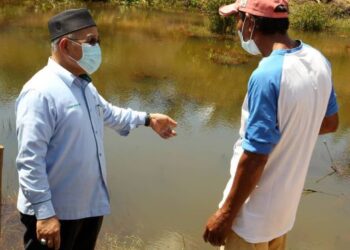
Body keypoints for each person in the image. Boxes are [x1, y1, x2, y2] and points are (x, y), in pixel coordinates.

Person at [15, 8, 177, 250]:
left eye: (98, 41)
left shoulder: (84, 85)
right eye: (91, 41)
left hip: (88, 208)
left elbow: (108, 113)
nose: (97, 47)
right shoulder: (40, 92)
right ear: (65, 45)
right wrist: (45, 213)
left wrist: (148, 118)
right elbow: (29, 160)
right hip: (55, 215)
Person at [203, 0, 339, 249]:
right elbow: (330, 122)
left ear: (251, 23)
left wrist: (225, 215)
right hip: (282, 219)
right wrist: (292, 132)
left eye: (239, 18)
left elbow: (255, 157)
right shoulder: (319, 61)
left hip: (249, 222)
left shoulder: (267, 76)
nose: (237, 25)